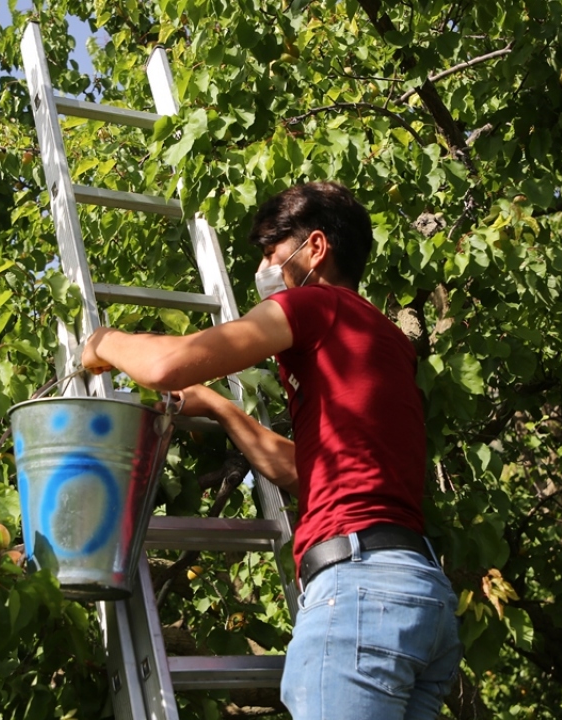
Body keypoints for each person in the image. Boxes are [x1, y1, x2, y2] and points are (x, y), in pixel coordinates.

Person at [81, 181, 462, 719]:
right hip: (422, 598)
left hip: (360, 593)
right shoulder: (385, 340)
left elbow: (166, 366)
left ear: (316, 248)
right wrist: (221, 408)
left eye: (271, 250)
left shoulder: (314, 305)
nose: (265, 267)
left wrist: (105, 342)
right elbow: (304, 474)